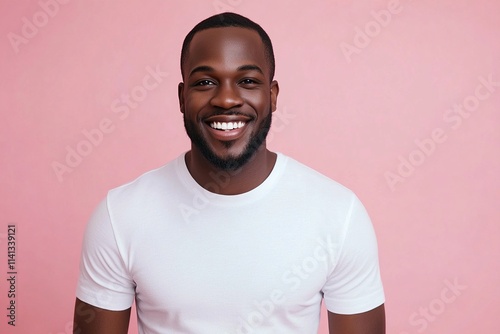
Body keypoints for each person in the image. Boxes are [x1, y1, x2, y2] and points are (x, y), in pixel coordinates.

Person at [73, 12, 385, 334]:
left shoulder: (339, 214)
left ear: (273, 96)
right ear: (182, 98)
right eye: (205, 82)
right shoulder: (119, 215)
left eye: (247, 81)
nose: (226, 99)